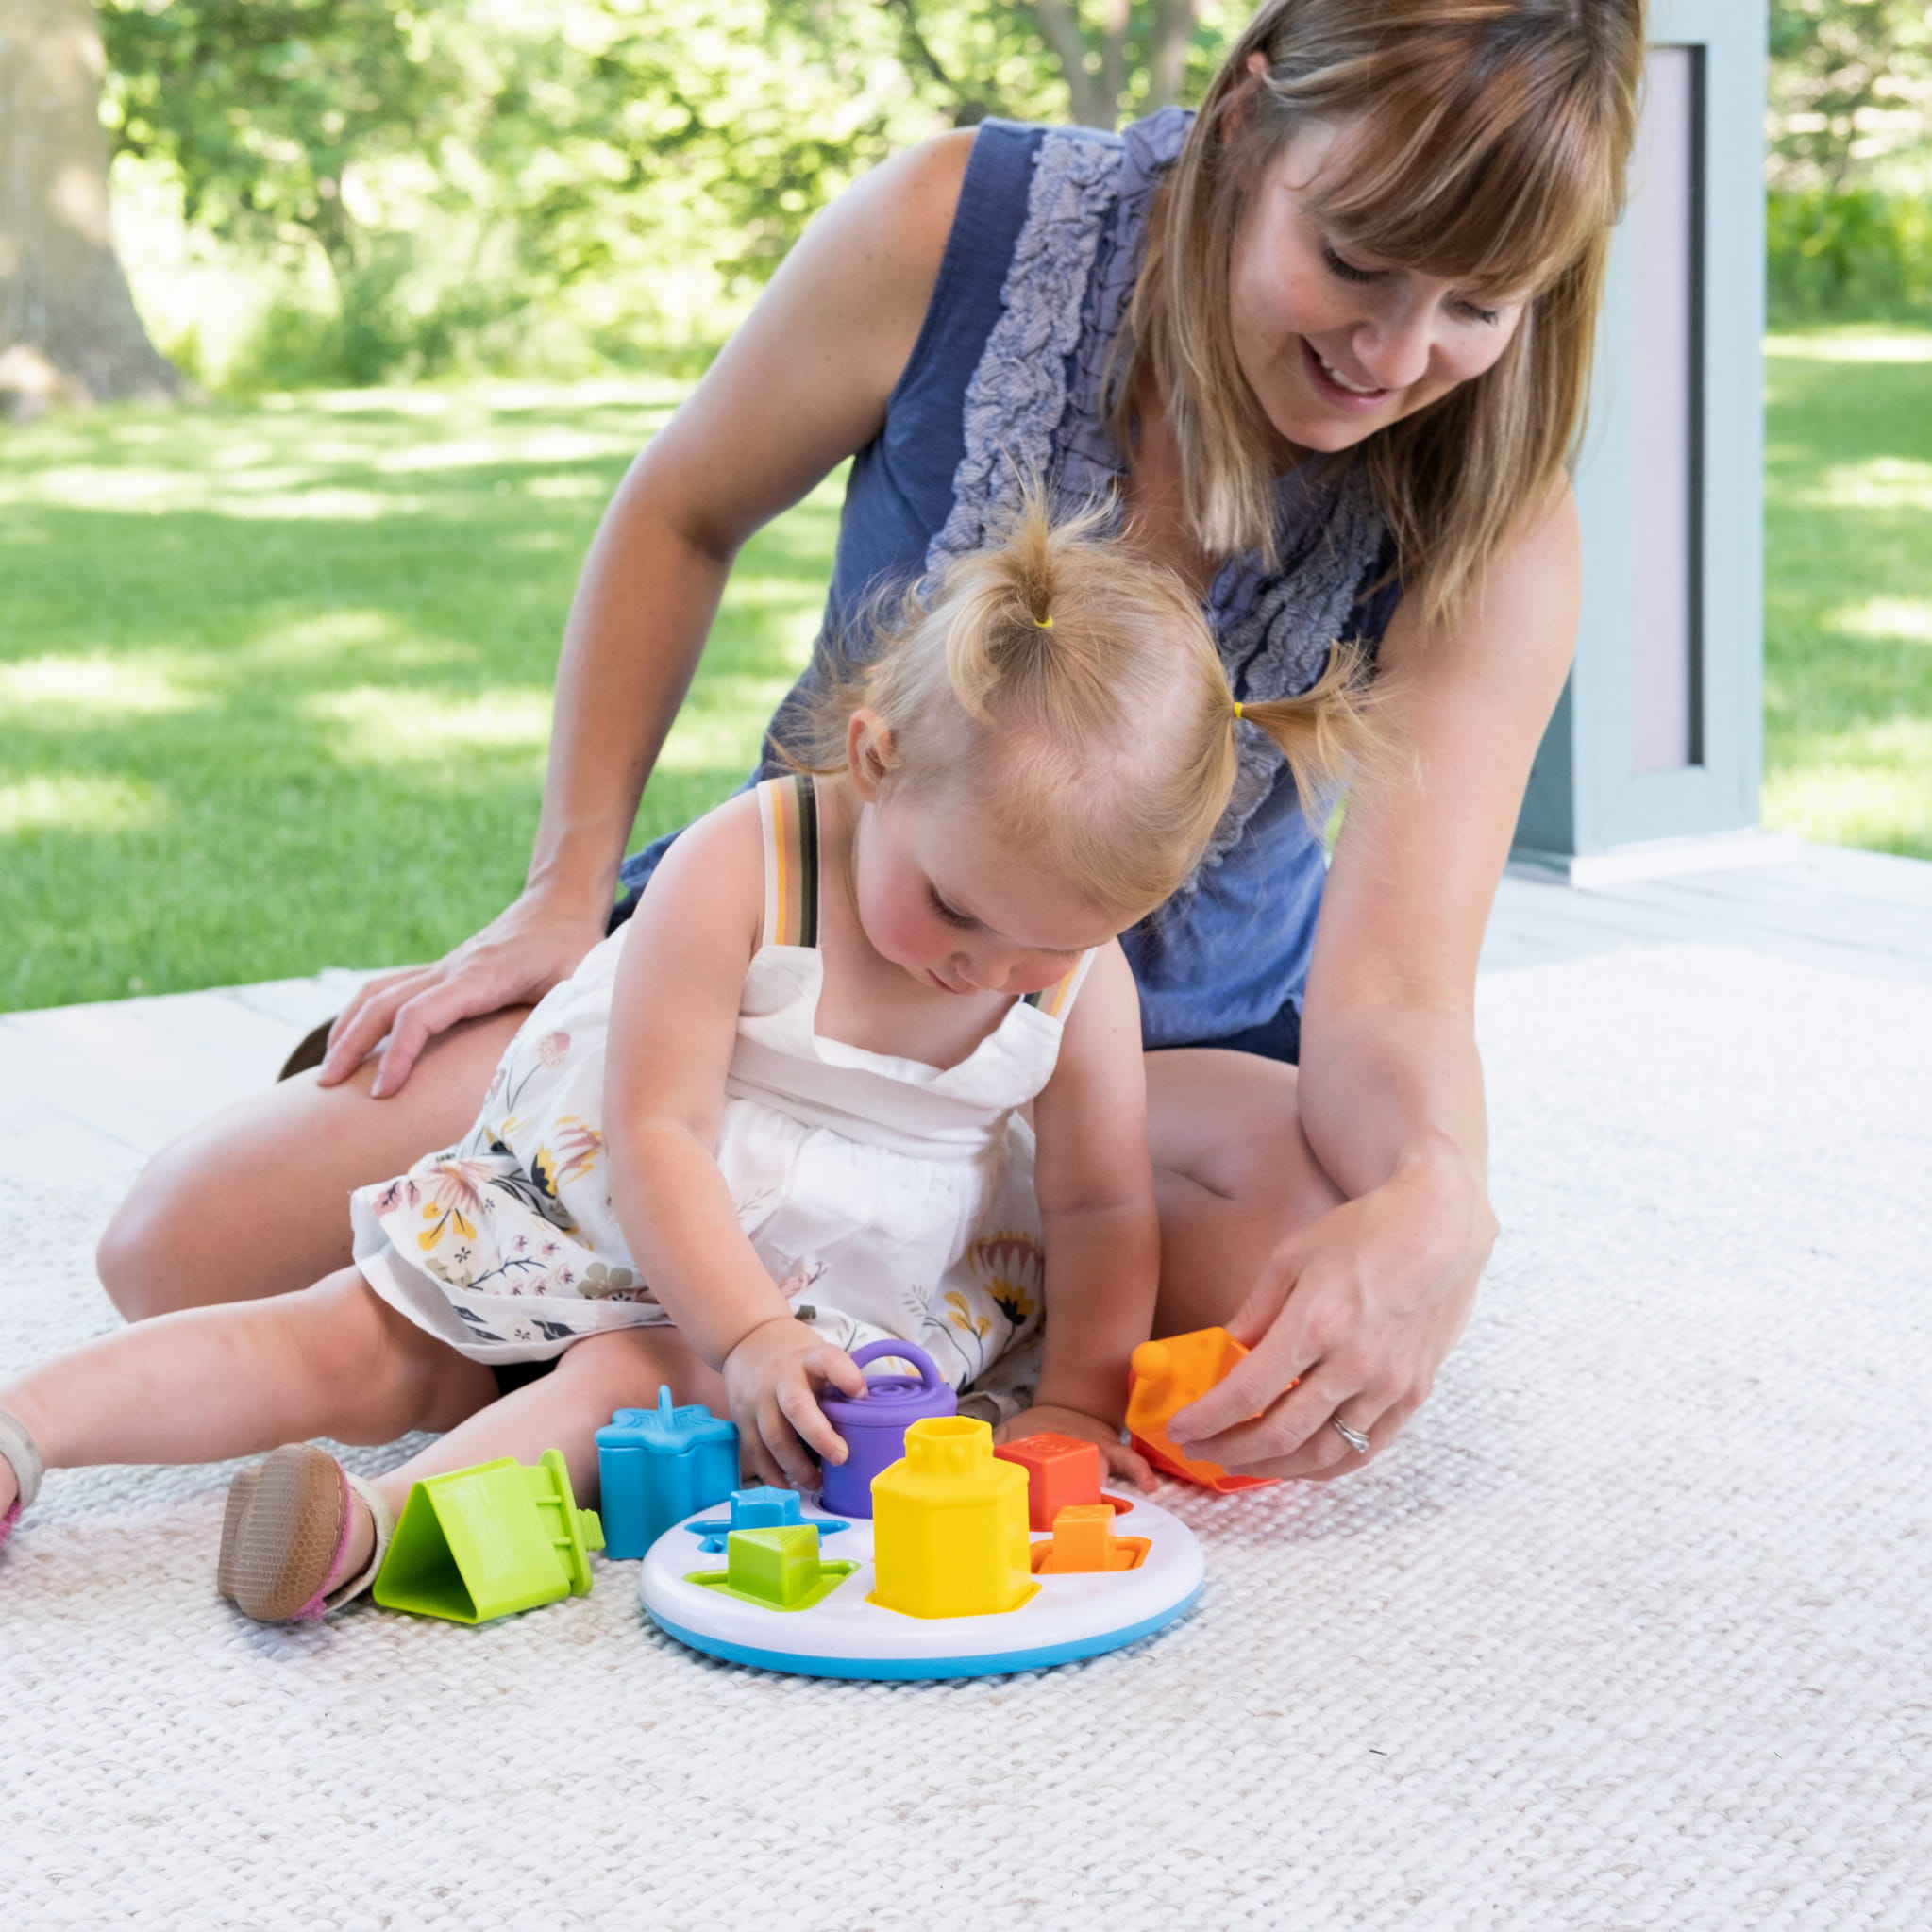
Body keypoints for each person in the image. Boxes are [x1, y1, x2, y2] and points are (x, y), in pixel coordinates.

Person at [88, 2, 1645, 1485]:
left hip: (1134, 1077)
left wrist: (1444, 1196)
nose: (1392, 352)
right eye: (1355, 258)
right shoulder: (958, 226)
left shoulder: (1497, 525)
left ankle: (684, 1349)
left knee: (1303, 1278)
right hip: (786, 987)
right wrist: (564, 892)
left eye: (1477, 307)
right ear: (1248, 118)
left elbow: (1390, 991)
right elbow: (678, 512)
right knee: (182, 1249)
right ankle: (720, 1328)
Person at [0, 500, 1365, 1619]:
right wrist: (747, 1328)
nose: (988, 974)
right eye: (957, 911)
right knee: (350, 1336)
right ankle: (28, 1426)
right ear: (877, 763)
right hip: (630, 1220)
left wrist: (1073, 1400)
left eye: (1048, 950)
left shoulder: (1081, 991)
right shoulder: (747, 868)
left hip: (801, 1312)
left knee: (622, 1388)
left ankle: (366, 1531)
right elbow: (654, 1134)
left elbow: (1099, 1206)